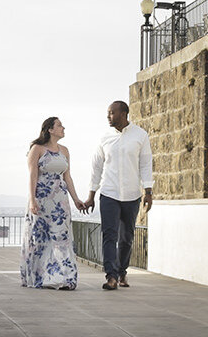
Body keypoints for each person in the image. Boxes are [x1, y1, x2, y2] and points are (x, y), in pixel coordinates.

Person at [83, 100, 153, 291]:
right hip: (109, 193)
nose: (108, 116)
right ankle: (111, 276)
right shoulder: (105, 137)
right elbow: (96, 167)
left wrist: (148, 192)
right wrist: (91, 195)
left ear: (124, 114)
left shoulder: (140, 135)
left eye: (112, 113)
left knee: (127, 237)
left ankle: (122, 271)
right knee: (109, 235)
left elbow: (146, 164)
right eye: (108, 113)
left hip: (131, 195)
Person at [20, 116, 84, 290]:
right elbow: (33, 176)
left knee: (61, 238)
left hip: (60, 203)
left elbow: (67, 177)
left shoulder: (65, 150)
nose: (63, 128)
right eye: (60, 125)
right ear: (50, 129)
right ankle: (39, 276)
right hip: (41, 199)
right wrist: (32, 200)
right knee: (39, 239)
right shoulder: (37, 149)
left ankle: (66, 278)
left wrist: (76, 199)